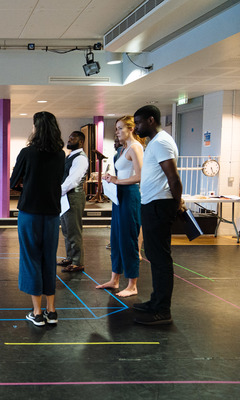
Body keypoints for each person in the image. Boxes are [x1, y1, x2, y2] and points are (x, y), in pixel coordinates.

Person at [11, 112, 65, 326]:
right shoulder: (61, 154)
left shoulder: (27, 152)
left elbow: (13, 182)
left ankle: (37, 312)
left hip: (30, 213)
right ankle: (52, 310)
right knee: (48, 259)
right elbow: (58, 180)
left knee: (31, 258)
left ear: (36, 128)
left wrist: (28, 184)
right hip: (52, 213)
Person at [132, 105, 183, 325]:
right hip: (153, 204)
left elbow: (173, 177)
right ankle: (156, 301)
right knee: (155, 257)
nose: (136, 127)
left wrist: (176, 202)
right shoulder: (155, 142)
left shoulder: (161, 142)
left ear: (151, 120)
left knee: (161, 259)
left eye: (139, 122)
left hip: (159, 206)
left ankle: (163, 311)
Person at [97, 116, 144, 297]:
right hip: (119, 195)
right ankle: (114, 279)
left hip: (130, 194)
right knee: (116, 238)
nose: (117, 132)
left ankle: (132, 285)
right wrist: (111, 178)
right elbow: (123, 173)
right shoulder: (122, 149)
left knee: (128, 239)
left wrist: (118, 180)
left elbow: (140, 176)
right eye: (116, 129)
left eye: (120, 128)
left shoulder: (135, 147)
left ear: (131, 129)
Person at [58, 131, 88, 273]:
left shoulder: (80, 158)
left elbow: (73, 180)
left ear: (81, 141)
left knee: (74, 230)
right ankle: (70, 257)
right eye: (69, 137)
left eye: (73, 138)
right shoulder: (70, 155)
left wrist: (57, 191)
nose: (69, 140)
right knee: (66, 229)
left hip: (73, 196)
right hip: (65, 196)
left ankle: (77, 262)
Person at [105, 135, 123, 250]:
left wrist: (115, 179)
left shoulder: (121, 153)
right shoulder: (117, 154)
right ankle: (115, 242)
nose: (114, 144)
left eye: (116, 142)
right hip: (119, 188)